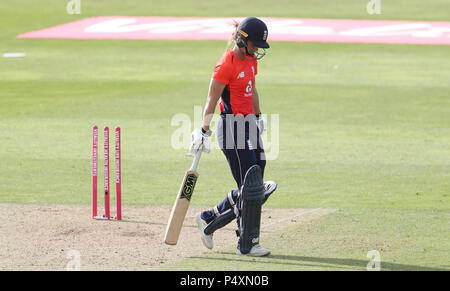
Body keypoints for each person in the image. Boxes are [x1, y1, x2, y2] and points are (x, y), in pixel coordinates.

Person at [189, 17, 277, 257]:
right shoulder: (225, 65)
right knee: (250, 185)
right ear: (241, 39)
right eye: (255, 44)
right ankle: (247, 244)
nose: (257, 50)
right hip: (231, 128)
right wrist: (203, 131)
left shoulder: (250, 61)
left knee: (256, 178)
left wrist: (258, 116)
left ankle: (208, 218)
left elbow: (252, 87)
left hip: (249, 125)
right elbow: (212, 100)